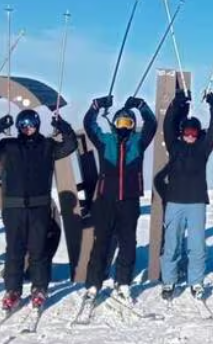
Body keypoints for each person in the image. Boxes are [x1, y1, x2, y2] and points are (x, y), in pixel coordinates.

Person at [0, 110, 77, 311]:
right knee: (14, 250)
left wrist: (62, 126)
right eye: (23, 124)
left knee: (38, 249)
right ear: (18, 126)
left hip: (39, 207)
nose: (27, 128)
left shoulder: (47, 146)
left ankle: (39, 288)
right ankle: (12, 290)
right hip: (13, 207)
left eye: (31, 124)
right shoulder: (8, 146)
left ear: (37, 125)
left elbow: (70, 145)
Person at [81, 95, 157, 305]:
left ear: (133, 126)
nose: (124, 127)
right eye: (120, 123)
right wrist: (95, 106)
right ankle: (93, 283)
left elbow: (152, 124)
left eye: (128, 123)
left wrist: (142, 105)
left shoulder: (138, 143)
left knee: (128, 243)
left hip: (129, 202)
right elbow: (89, 125)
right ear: (114, 124)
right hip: (106, 201)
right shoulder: (105, 142)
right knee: (101, 243)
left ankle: (123, 281)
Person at [157, 89, 213, 301]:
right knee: (172, 245)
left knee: (196, 245)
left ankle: (196, 282)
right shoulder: (174, 147)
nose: (191, 136)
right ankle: (169, 282)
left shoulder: (203, 148)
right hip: (175, 202)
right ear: (182, 132)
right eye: (188, 132)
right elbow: (167, 125)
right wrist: (177, 102)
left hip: (196, 203)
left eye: (195, 132)